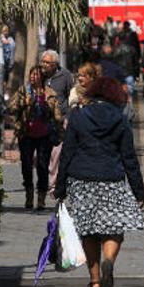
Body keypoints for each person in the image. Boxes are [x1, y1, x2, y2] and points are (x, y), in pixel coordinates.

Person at [55, 77, 144, 287]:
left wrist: (60, 187)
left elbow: (67, 153)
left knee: (88, 232)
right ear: (114, 95)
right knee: (113, 228)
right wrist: (139, 191)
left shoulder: (78, 116)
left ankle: (95, 281)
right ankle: (109, 261)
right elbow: (129, 158)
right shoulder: (120, 119)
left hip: (81, 179)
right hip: (111, 179)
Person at [48, 62, 103, 199]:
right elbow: (72, 106)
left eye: (83, 76)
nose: (79, 78)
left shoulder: (99, 92)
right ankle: (58, 186)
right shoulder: (75, 90)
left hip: (92, 130)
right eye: (79, 75)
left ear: (91, 77)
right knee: (61, 154)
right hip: (73, 127)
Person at [10, 65, 61, 210]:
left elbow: (57, 115)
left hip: (44, 135)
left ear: (42, 77)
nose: (33, 77)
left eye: (36, 75)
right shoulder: (23, 91)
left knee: (43, 166)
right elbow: (12, 108)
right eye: (31, 74)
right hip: (26, 134)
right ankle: (29, 194)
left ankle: (41, 198)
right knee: (26, 165)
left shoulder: (49, 93)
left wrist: (49, 106)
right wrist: (23, 103)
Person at [41, 49, 74, 120]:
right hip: (43, 117)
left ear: (55, 64)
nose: (44, 65)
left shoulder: (65, 75)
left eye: (47, 62)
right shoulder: (40, 75)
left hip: (60, 117)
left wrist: (67, 117)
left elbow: (71, 96)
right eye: (43, 62)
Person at [0, 24, 16, 93]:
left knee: (4, 80)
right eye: (4, 31)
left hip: (6, 63)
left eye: (6, 31)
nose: (5, 32)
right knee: (1, 80)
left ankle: (4, 92)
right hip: (1, 63)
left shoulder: (10, 40)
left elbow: (10, 52)